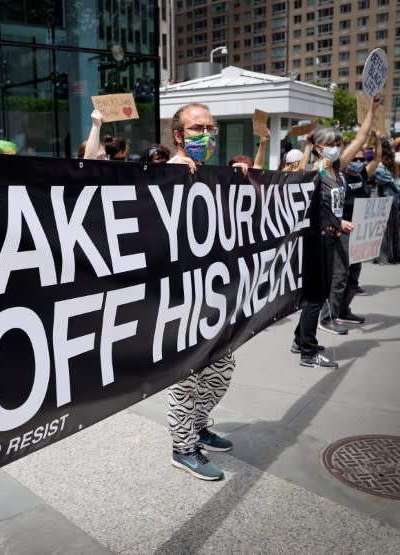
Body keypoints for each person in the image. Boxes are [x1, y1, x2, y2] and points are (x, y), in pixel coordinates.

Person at [165, 102, 235, 481]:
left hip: (211, 292)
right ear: (178, 135)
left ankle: (199, 425)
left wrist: (241, 179)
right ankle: (183, 447)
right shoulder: (165, 175)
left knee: (222, 367)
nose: (204, 135)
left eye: (209, 128)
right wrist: (169, 177)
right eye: (195, 129)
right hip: (179, 297)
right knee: (186, 374)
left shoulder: (212, 174)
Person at [294, 95, 380, 361]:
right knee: (316, 297)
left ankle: (301, 340)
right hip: (317, 239)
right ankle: (308, 352)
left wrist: (372, 111)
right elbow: (310, 210)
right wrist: (335, 221)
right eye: (331, 145)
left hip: (331, 238)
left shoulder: (337, 169)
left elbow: (360, 139)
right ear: (319, 148)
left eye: (338, 144)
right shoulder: (315, 173)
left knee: (318, 295)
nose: (336, 148)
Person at [319, 132, 381, 332]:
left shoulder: (361, 175)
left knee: (354, 272)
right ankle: (330, 316)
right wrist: (339, 221)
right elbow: (323, 204)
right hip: (340, 229)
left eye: (361, 159)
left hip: (358, 229)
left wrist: (376, 220)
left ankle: (344, 310)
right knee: (341, 274)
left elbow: (376, 158)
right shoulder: (334, 175)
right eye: (354, 158)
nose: (358, 161)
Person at [374, 140, 400, 265]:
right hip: (394, 198)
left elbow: (378, 180)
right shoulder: (394, 163)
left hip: (382, 197)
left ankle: (383, 256)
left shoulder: (379, 165)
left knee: (382, 228)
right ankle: (394, 255)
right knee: (393, 227)